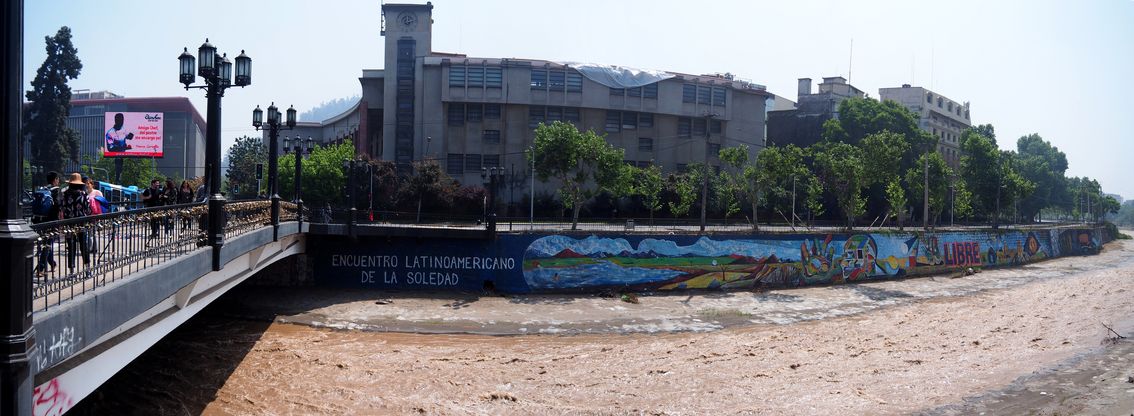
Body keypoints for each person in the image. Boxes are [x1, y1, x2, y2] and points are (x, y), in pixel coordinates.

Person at [60, 173, 92, 273]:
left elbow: (62, 208)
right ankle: (87, 269)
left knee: (71, 246)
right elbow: (88, 209)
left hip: (69, 223)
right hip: (81, 222)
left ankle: (71, 270)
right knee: (84, 245)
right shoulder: (83, 194)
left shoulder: (64, 193)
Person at [32, 171, 61, 277]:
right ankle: (41, 268)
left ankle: (52, 263)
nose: (58, 181)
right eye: (58, 179)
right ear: (55, 180)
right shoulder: (56, 191)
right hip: (51, 221)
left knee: (46, 243)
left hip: (39, 220)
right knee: (47, 244)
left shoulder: (43, 189)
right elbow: (58, 204)